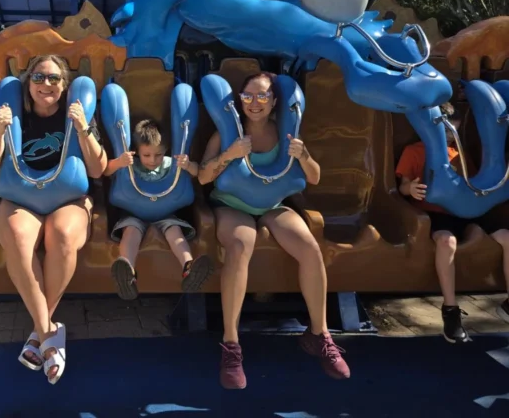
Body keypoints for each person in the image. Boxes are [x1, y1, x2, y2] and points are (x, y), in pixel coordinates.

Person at [198, 72, 350, 389]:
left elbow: (315, 177)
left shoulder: (285, 133)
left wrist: (303, 155)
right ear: (239, 101)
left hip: (272, 204)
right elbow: (202, 177)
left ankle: (319, 334)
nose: (255, 103)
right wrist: (228, 155)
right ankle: (231, 345)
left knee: (309, 247)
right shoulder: (227, 132)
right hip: (232, 204)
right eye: (248, 96)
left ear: (274, 101)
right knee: (241, 243)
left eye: (263, 96)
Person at [0, 54, 107, 385]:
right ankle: (50, 334)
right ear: (28, 84)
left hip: (67, 198)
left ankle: (40, 336)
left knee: (63, 235)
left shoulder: (77, 115)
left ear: (65, 86)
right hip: (21, 198)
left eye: (53, 78)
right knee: (17, 236)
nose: (45, 85)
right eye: (38, 78)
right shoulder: (14, 115)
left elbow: (97, 169)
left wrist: (83, 130)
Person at [396, 102, 509, 342]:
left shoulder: (458, 152)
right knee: (447, 242)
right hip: (435, 213)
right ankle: (451, 310)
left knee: (507, 238)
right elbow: (403, 186)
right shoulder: (414, 151)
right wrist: (410, 188)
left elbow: (472, 181)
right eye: (447, 133)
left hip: (465, 210)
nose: (449, 139)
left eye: (453, 134)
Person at [104, 119, 213, 300]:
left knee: (175, 231)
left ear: (166, 152)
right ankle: (128, 272)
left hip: (165, 214)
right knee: (130, 231)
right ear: (137, 151)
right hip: (134, 213)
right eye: (146, 155)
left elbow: (198, 174)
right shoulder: (130, 164)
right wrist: (118, 162)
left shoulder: (171, 165)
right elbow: (106, 171)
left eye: (159, 155)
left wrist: (189, 165)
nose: (153, 160)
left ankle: (189, 267)